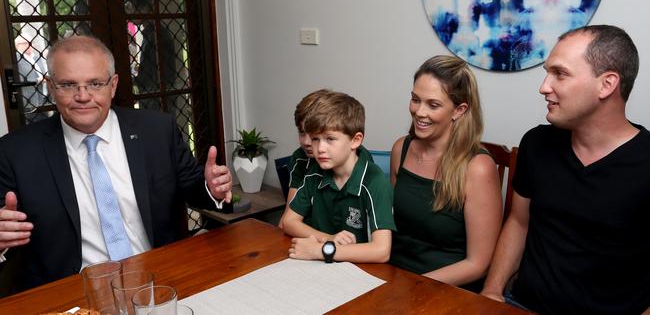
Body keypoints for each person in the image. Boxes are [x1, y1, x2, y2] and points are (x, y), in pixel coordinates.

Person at [0, 35, 232, 296]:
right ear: (51, 87)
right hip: (73, 293)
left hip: (160, 276)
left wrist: (211, 188)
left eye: (95, 83)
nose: (83, 96)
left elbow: (194, 188)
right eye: (68, 85)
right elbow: (6, 232)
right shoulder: (16, 152)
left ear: (113, 85)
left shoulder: (156, 130)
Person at [480, 25, 650, 314]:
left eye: (560, 73)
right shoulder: (537, 142)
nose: (544, 86)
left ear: (607, 84)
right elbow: (519, 223)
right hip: (521, 305)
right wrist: (492, 291)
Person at [388, 55, 502, 292]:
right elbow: (391, 226)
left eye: (433, 104)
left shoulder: (477, 167)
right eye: (415, 100)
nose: (419, 112)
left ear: (459, 110)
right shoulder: (402, 149)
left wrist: (414, 286)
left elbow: (478, 264)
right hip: (394, 275)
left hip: (446, 288)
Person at [282, 91, 395, 263]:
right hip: (320, 264)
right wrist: (329, 239)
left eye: (329, 139)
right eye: (315, 139)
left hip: (361, 270)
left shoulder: (375, 181)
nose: (320, 148)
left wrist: (322, 250)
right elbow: (289, 222)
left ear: (355, 140)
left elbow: (381, 251)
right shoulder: (314, 173)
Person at [278, 89, 375, 228]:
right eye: (302, 132)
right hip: (305, 232)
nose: (307, 142)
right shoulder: (300, 158)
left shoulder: (359, 158)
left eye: (313, 134)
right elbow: (287, 218)